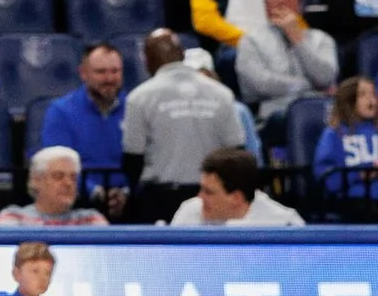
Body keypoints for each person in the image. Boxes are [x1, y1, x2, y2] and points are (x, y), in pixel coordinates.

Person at [121, 29, 247, 221]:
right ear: (181, 54)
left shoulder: (139, 97)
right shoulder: (221, 94)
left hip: (160, 199)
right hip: (212, 197)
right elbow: (237, 151)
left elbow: (133, 157)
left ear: (146, 60)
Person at [235, 0, 337, 119]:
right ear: (266, 5)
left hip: (318, 112)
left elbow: (326, 78)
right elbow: (258, 84)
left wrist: (297, 39)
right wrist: (309, 86)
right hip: (275, 115)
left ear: (300, 5)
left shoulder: (322, 39)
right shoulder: (250, 41)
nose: (281, 0)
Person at [38, 41, 127, 189]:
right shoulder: (61, 112)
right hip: (78, 201)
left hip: (131, 201)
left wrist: (125, 192)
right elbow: (58, 165)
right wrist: (95, 192)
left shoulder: (136, 109)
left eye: (115, 71)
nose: (109, 79)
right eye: (101, 72)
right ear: (83, 73)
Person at [173, 144, 307, 226]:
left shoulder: (284, 224)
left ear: (236, 197)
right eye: (201, 188)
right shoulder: (189, 212)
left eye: (209, 192)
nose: (200, 197)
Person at [0, 144, 109, 227]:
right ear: (36, 180)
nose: (68, 183)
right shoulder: (13, 217)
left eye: (73, 177)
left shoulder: (91, 220)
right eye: (58, 176)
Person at [311, 76, 378, 201]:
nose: (371, 99)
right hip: (355, 202)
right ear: (348, 100)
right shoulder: (334, 134)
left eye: (373, 93)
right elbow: (327, 178)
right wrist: (363, 174)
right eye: (363, 94)